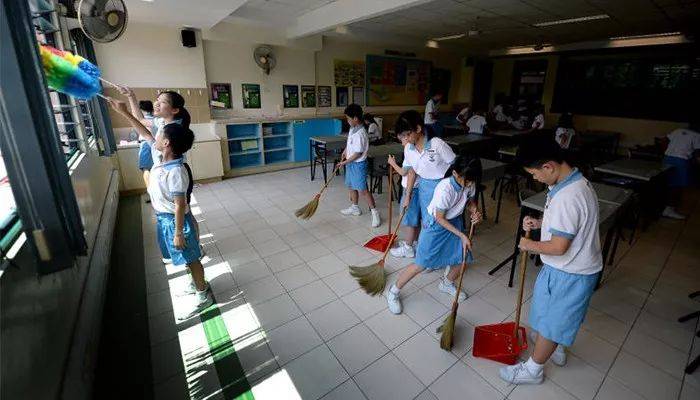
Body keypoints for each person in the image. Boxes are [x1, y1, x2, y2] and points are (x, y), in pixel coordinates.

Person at [499, 138, 602, 385]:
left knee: (555, 321)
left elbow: (558, 246)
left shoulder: (569, 196)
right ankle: (554, 345)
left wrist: (529, 245)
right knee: (550, 315)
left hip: (572, 272)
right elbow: (568, 225)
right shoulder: (571, 181)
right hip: (565, 268)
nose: (535, 178)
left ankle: (533, 370)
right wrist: (541, 224)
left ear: (549, 166)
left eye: (534, 174)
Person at [111, 100, 213, 319]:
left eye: (158, 136)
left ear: (166, 143)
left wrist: (178, 232)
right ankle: (197, 283)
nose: (153, 138)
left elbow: (180, 205)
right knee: (185, 257)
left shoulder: (176, 172)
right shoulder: (160, 158)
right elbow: (145, 133)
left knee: (191, 258)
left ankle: (203, 293)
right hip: (165, 218)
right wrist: (124, 112)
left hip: (176, 221)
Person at [386, 155, 483, 314]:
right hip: (436, 226)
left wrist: (474, 211)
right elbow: (439, 218)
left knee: (463, 258)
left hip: (454, 222)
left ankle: (446, 283)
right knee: (421, 264)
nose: (469, 184)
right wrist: (462, 235)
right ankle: (393, 291)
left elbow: (470, 201)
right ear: (455, 173)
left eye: (472, 181)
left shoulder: (469, 181)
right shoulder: (445, 188)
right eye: (466, 181)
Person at [338, 104, 381, 228]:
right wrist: (345, 151)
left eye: (348, 118)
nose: (347, 121)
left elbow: (358, 153)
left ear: (355, 118)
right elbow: (350, 144)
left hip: (358, 164)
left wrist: (344, 162)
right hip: (350, 163)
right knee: (351, 186)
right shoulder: (353, 128)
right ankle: (355, 208)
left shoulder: (361, 133)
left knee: (363, 190)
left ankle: (375, 213)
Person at [387, 130, 420, 258]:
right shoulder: (417, 146)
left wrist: (392, 163)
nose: (401, 143)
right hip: (417, 188)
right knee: (414, 218)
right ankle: (413, 242)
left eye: (401, 140)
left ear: (407, 137)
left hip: (411, 189)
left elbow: (404, 172)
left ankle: (408, 248)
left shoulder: (409, 148)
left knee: (409, 220)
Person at [661, 121, 700, 219]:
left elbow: (664, 140)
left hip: (667, 158)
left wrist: (668, 151)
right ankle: (669, 210)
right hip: (681, 161)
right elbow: (698, 155)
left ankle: (665, 206)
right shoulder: (697, 135)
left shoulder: (678, 130)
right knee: (677, 186)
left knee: (668, 183)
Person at [136, 100, 155, 187]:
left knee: (146, 169)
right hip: (156, 145)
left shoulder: (142, 120)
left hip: (146, 144)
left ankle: (151, 190)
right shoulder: (156, 120)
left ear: (141, 110)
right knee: (157, 168)